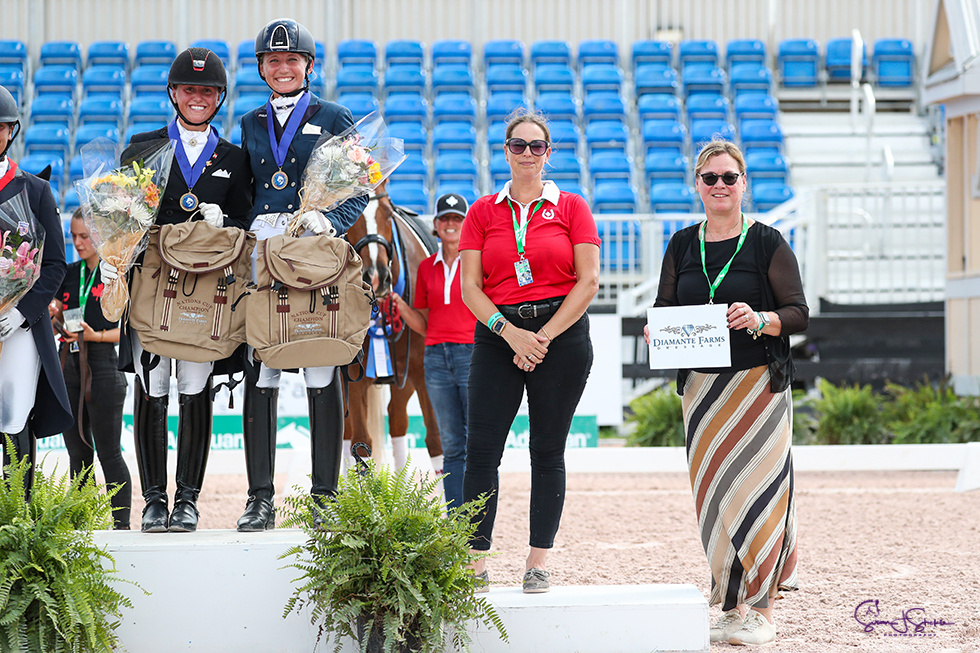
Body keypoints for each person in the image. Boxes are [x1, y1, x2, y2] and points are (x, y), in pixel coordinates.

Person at [644, 140, 808, 646]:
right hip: (702, 393)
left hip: (757, 387)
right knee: (714, 498)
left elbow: (799, 313)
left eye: (728, 178)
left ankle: (763, 609)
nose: (720, 186)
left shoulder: (767, 242)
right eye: (710, 178)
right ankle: (732, 603)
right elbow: (664, 304)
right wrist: (657, 330)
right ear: (697, 185)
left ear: (744, 184)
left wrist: (762, 319)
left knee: (759, 494)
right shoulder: (680, 245)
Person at [100, 48, 252, 533]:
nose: (198, 97)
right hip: (152, 285)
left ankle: (187, 499)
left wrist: (222, 222)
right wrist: (112, 259)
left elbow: (246, 225)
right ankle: (152, 499)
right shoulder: (141, 149)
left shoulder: (233, 158)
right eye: (190, 89)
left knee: (194, 386)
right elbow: (121, 219)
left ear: (219, 97)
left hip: (206, 293)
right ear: (174, 93)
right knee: (152, 386)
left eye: (207, 91)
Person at [459, 110, 600, 594]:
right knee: (481, 451)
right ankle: (475, 561)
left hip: (561, 335)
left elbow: (589, 282)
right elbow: (470, 288)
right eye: (517, 145)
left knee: (546, 449)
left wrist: (542, 337)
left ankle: (537, 561)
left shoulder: (572, 207)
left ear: (548, 153)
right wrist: (509, 331)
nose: (526, 154)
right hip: (499, 334)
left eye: (535, 146)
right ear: (505, 151)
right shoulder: (481, 212)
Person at [237, 18, 369, 532]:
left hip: (315, 247)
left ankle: (325, 496)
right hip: (263, 253)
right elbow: (245, 191)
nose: (283, 67)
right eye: (273, 60)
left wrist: (329, 219)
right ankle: (260, 497)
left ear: (308, 66)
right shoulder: (249, 123)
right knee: (262, 364)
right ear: (263, 68)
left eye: (292, 59)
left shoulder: (334, 116)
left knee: (320, 363)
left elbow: (359, 188)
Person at [0, 84, 73, 494]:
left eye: (1, 126)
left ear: (12, 131)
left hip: (19, 328)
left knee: (13, 417)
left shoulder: (36, 190)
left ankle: (18, 518)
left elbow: (56, 264)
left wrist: (20, 312)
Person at [392, 192, 476, 513]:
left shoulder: (478, 264)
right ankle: (456, 513)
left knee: (474, 441)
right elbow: (423, 323)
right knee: (450, 441)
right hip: (436, 358)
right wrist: (399, 305)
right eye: (445, 220)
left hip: (470, 355)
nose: (451, 225)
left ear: (466, 225)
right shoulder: (426, 269)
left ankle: (476, 511)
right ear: (435, 226)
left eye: (457, 219)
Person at [52, 210, 131, 528]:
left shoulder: (114, 274)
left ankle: (121, 525)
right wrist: (54, 313)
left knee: (109, 452)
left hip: (103, 363)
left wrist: (95, 335)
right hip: (68, 362)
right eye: (73, 236)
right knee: (77, 451)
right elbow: (54, 316)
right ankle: (83, 525)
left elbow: (129, 329)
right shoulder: (67, 273)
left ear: (99, 236)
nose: (78, 242)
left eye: (85, 236)